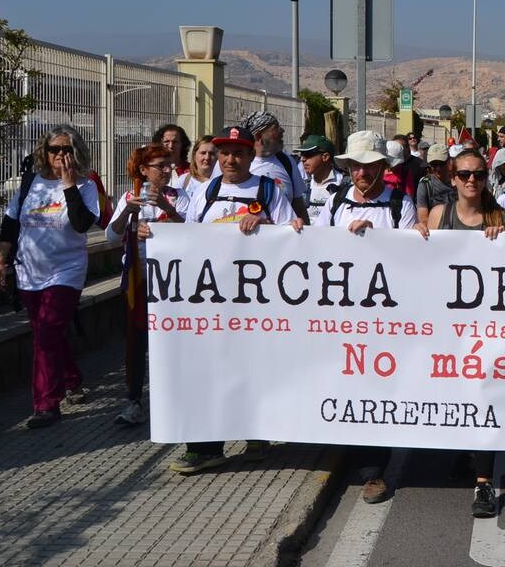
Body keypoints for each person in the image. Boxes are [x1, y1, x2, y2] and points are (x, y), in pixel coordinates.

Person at [171, 125, 300, 475]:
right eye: (224, 152)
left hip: (254, 303)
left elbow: (295, 234)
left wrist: (267, 221)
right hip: (211, 302)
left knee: (249, 371)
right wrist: (155, 233)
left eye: (238, 153)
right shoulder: (206, 191)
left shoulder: (269, 190)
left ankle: (255, 434)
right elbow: (187, 237)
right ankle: (204, 448)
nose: (230, 159)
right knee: (206, 372)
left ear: (250, 155)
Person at [312, 131, 418, 504]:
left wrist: (377, 238)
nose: (361, 173)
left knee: (377, 386)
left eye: (369, 166)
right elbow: (312, 246)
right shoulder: (336, 201)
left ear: (381, 169)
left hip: (384, 316)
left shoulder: (399, 204)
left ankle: (374, 471)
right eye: (356, 166)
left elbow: (411, 253)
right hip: (340, 314)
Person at [419, 148, 505, 518]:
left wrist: (502, 240)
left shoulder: (500, 219)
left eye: (478, 174)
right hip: (447, 328)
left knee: (484, 396)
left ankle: (484, 483)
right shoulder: (440, 216)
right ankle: (464, 453)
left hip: (487, 330)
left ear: (487, 178)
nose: (471, 180)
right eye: (463, 175)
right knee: (456, 394)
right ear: (452, 179)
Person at [0, 126, 101, 429]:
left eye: (67, 149)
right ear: (45, 151)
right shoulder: (31, 183)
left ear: (76, 151)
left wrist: (68, 186)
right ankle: (71, 378)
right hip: (30, 270)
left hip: (65, 271)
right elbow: (10, 225)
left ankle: (46, 404)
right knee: (46, 332)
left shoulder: (85, 186)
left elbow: (81, 225)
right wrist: (1, 259)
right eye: (55, 149)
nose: (60, 155)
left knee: (46, 334)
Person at [105, 143, 185, 427]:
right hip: (140, 281)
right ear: (143, 170)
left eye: (169, 165)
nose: (167, 170)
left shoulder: (179, 196)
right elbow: (111, 237)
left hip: (173, 283)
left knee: (173, 341)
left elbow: (192, 232)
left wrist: (168, 210)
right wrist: (128, 213)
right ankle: (134, 400)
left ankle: (174, 399)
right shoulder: (130, 197)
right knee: (137, 342)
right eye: (160, 166)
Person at [239, 111, 310, 223]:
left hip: (282, 238)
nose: (282, 130)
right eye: (275, 128)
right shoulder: (238, 164)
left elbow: (299, 206)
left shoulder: (287, 161)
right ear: (258, 136)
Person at [298, 135, 345, 222]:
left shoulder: (344, 184)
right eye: (301, 155)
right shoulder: (302, 186)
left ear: (325, 157)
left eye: (308, 154)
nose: (302, 159)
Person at [415, 143, 456, 223]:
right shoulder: (425, 184)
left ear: (449, 160)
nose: (438, 168)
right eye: (434, 164)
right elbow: (423, 219)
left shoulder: (460, 180)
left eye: (441, 164)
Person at [179, 138, 217, 203]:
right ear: (194, 155)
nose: (207, 157)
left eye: (211, 153)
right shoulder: (183, 181)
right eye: (203, 153)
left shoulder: (223, 183)